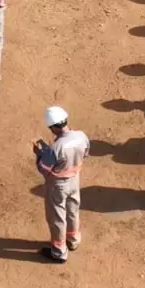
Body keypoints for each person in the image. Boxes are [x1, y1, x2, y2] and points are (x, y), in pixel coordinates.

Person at [35, 106, 90, 262]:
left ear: (52, 127)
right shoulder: (81, 136)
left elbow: (44, 169)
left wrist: (40, 154)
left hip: (58, 185)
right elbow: (85, 154)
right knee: (73, 209)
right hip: (75, 179)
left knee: (57, 217)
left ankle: (59, 252)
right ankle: (73, 239)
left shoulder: (55, 148)